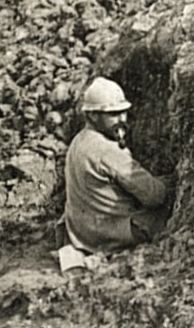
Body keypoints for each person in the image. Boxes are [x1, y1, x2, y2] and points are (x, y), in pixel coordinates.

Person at [62, 77, 172, 262]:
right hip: (111, 235)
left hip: (82, 232)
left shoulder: (78, 141)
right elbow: (155, 196)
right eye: (112, 114)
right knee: (170, 203)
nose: (121, 119)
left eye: (123, 112)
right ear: (93, 115)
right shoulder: (107, 149)